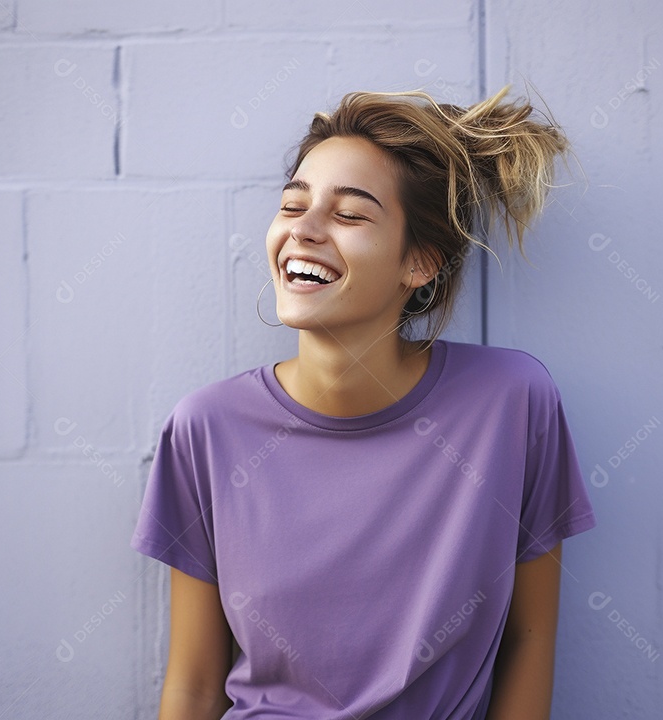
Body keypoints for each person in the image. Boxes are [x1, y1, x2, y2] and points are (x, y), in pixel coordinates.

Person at [131, 86, 596, 720]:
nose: (304, 229)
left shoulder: (511, 404)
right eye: (293, 205)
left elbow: (530, 641)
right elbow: (191, 684)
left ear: (420, 262)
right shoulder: (205, 428)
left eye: (349, 215)